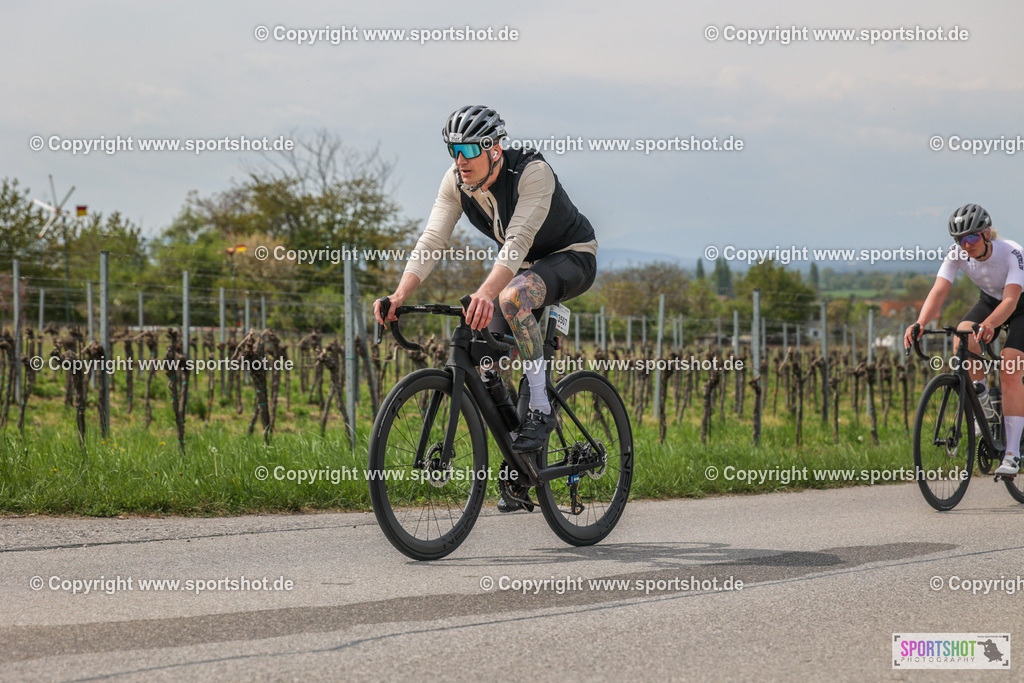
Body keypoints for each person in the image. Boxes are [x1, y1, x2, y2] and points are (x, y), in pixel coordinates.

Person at [373, 105, 598, 511]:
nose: (459, 160)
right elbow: (432, 240)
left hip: (571, 256)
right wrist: (400, 294)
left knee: (511, 297)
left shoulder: (532, 172)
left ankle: (543, 412)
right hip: (519, 269)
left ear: (494, 149)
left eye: (468, 150)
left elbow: (517, 241)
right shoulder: (456, 181)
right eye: (452, 150)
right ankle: (520, 468)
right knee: (485, 357)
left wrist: (485, 291)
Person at [904, 203, 1024, 475]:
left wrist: (991, 324)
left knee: (1010, 366)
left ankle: (1013, 454)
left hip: (1019, 305)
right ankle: (982, 403)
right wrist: (920, 323)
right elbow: (939, 291)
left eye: (970, 238)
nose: (965, 245)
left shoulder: (1013, 253)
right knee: (962, 339)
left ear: (986, 234)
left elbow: (1010, 300)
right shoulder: (957, 253)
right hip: (990, 301)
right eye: (959, 239)